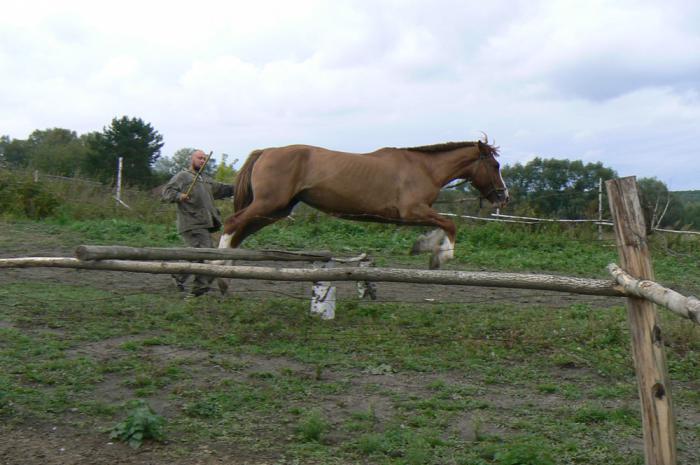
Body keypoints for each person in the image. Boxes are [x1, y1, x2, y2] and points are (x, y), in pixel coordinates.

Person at [162, 149, 234, 297]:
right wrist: (179, 195)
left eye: (204, 159)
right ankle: (197, 289)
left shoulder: (205, 179)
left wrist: (240, 187)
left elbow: (222, 189)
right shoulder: (183, 176)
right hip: (191, 223)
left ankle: (179, 278)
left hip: (204, 224)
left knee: (199, 256)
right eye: (199, 158)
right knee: (209, 256)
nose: (202, 161)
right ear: (192, 159)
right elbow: (167, 192)